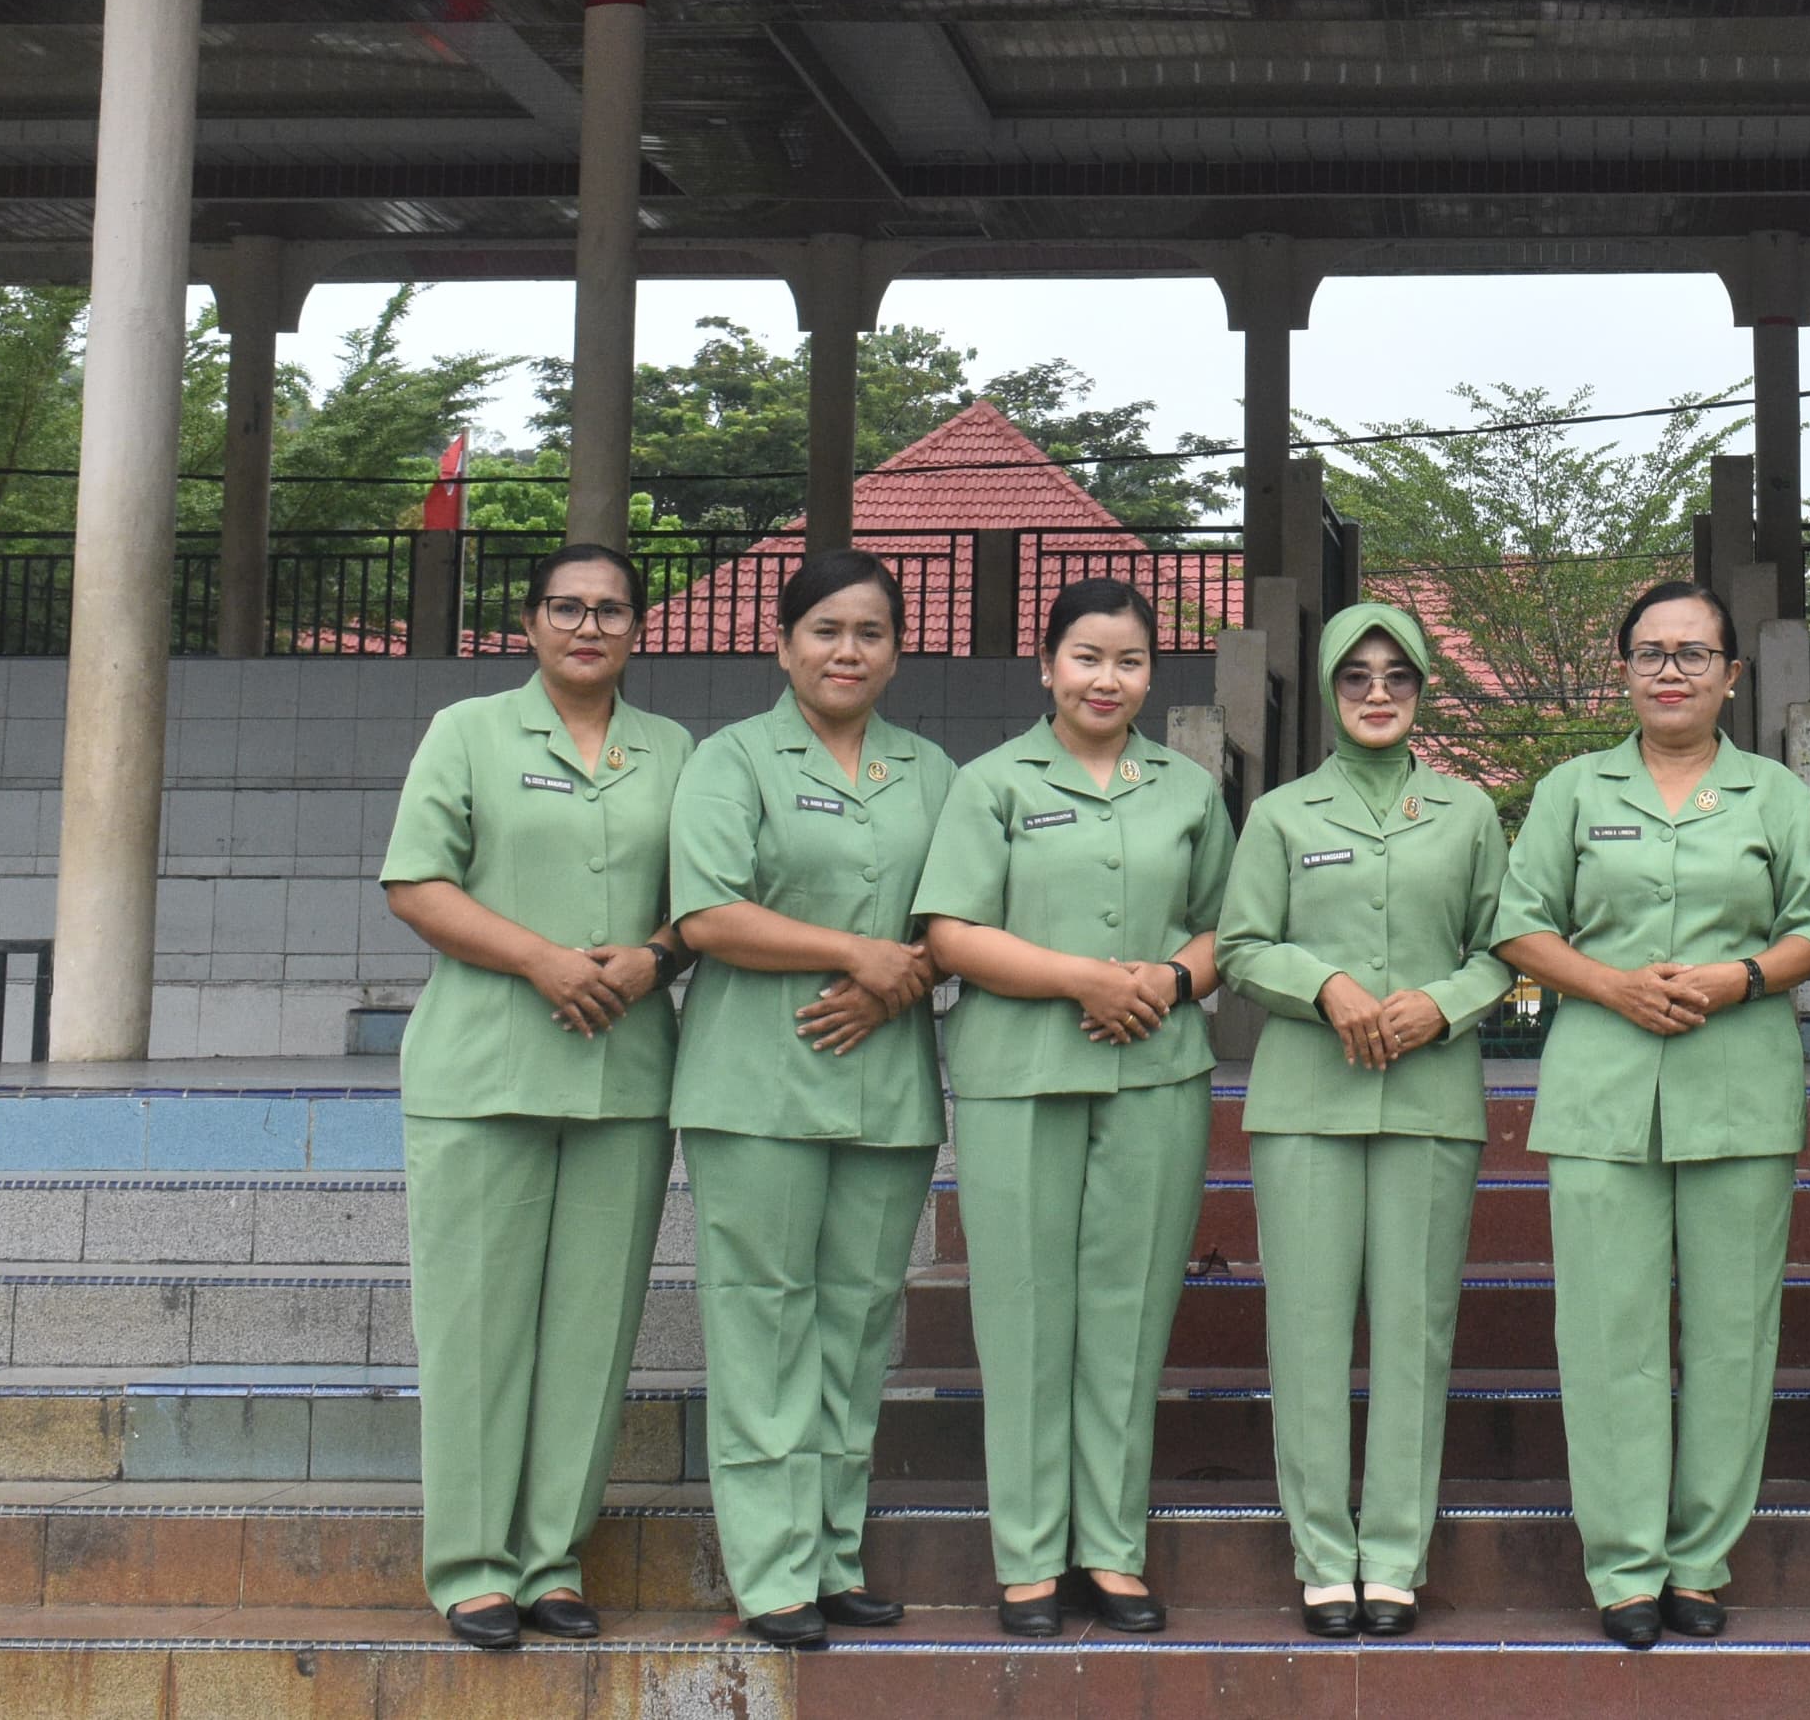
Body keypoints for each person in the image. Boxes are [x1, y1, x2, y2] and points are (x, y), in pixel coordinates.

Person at [1493, 579, 1810, 1651]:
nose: (1672, 670)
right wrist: (1611, 985)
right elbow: (1518, 923)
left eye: (1694, 653)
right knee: (1609, 1334)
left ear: (1733, 674)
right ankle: (1624, 1564)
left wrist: (1741, 976)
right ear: (1624, 670)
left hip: (1740, 1083)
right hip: (1601, 1086)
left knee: (1733, 1334)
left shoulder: (1775, 794)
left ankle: (1699, 1561)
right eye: (1650, 652)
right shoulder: (1571, 789)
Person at [374, 542, 693, 1650]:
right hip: (484, 1070)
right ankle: (472, 1565)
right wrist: (540, 960)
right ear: (528, 622)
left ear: (638, 628)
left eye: (610, 609)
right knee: (474, 1326)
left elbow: (703, 899)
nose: (587, 626)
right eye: (566, 607)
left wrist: (654, 955)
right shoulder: (468, 731)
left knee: (592, 1330)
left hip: (625, 1072)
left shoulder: (674, 750)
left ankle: (552, 1558)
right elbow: (416, 883)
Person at [914, 578, 1233, 1636]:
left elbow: (1226, 926)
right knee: (1022, 1313)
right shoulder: (992, 782)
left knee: (1130, 1314)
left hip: (1157, 1075)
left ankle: (1111, 1548)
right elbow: (951, 932)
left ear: (1151, 675)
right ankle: (1027, 1556)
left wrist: (1168, 981)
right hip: (1018, 1075)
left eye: (1129, 660)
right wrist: (1082, 979)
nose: (1107, 678)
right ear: (1045, 665)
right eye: (1087, 656)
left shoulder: (1187, 789)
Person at [666, 552, 953, 1650]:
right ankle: (772, 1569)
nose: (847, 650)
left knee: (857, 1325)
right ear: (782, 645)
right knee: (763, 1321)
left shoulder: (930, 769)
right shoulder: (732, 759)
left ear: (897, 651)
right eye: (825, 629)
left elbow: (963, 912)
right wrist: (854, 953)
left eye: (870, 632)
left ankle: (834, 1554)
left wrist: (896, 982)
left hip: (886, 1085)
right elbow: (706, 913)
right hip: (757, 1081)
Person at [1218, 602, 1514, 1638]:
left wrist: (1445, 1002)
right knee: (1305, 1331)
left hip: (1430, 1099)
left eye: (1397, 674)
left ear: (1423, 688)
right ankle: (1319, 1554)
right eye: (1356, 675)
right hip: (1307, 1099)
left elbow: (1505, 945)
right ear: (1330, 690)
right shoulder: (1281, 814)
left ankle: (1392, 1554)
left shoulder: (1467, 812)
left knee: (1414, 1331)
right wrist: (1324, 985)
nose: (1377, 691)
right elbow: (1240, 944)